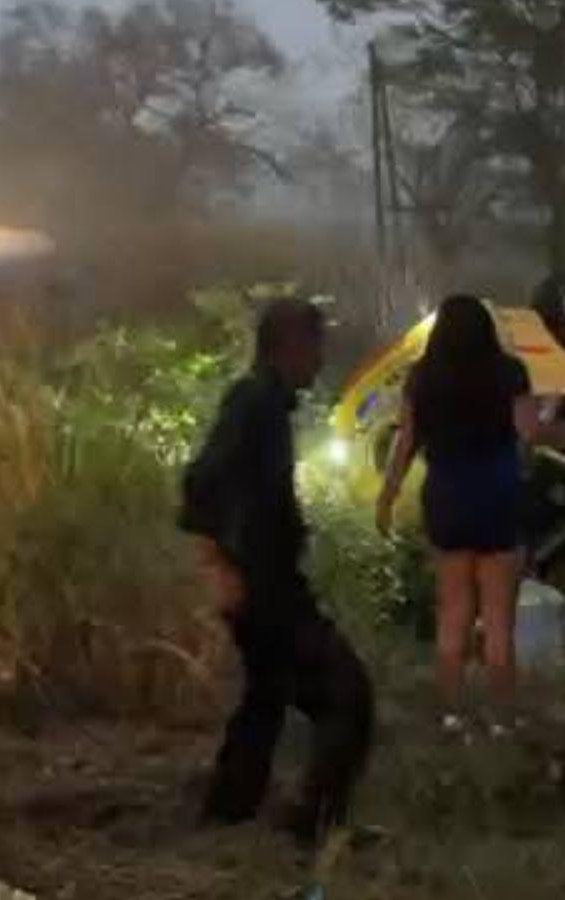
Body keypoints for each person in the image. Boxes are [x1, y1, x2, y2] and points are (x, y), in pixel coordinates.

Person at [179, 298, 374, 844]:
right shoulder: (254, 401)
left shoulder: (270, 403)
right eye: (316, 346)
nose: (321, 359)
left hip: (269, 581)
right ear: (290, 347)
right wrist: (218, 566)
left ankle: (229, 812)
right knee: (347, 695)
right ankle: (314, 825)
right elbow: (200, 484)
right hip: (263, 588)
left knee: (267, 696)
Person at [376, 294, 564, 734]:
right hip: (497, 496)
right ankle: (502, 720)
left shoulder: (422, 377)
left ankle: (450, 716)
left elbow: (405, 442)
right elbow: (530, 433)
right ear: (487, 330)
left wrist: (387, 498)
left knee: (453, 614)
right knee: (499, 622)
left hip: (446, 497)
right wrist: (555, 413)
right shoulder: (508, 373)